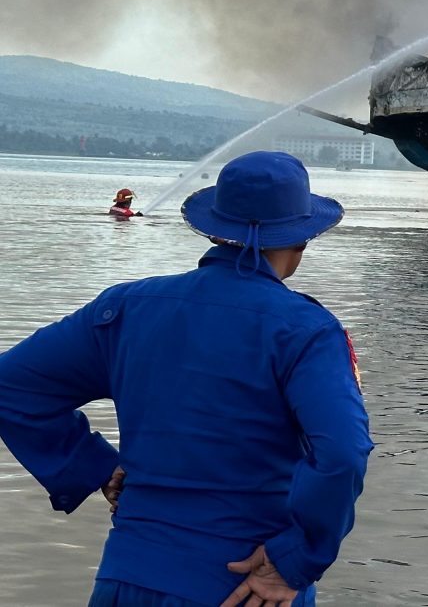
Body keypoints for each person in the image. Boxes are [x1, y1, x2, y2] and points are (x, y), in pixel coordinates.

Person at [0, 151, 372, 607]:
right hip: (244, 587)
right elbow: (342, 455)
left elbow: (11, 386)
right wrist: (295, 560)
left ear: (215, 229)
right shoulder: (307, 332)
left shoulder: (127, 307)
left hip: (125, 578)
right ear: (301, 242)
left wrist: (94, 464)